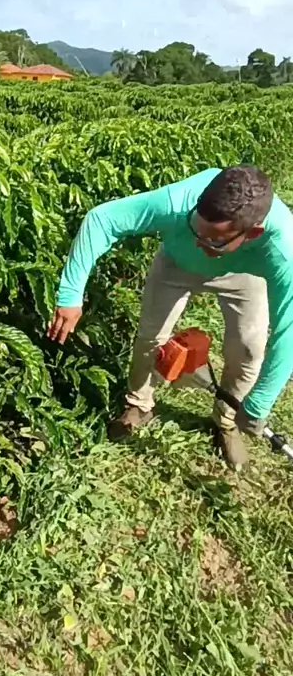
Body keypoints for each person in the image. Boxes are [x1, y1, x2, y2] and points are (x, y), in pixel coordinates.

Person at [48, 165, 293, 469]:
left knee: (248, 348)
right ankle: (139, 404)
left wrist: (259, 402)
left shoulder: (282, 247)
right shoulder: (178, 203)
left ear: (252, 233)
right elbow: (102, 219)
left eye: (214, 239)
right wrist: (70, 295)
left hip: (243, 275)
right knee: (151, 339)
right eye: (196, 229)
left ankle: (227, 420)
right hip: (176, 264)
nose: (201, 242)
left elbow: (289, 328)